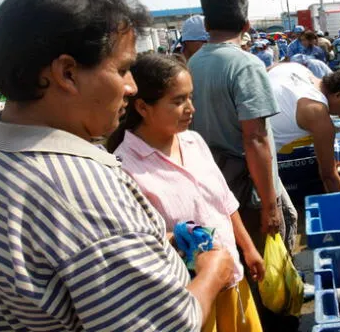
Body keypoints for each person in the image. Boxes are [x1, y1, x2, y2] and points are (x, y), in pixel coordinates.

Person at [0, 0, 235, 331]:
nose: (131, 86)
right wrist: (213, 272)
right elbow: (165, 325)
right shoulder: (80, 191)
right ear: (67, 73)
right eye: (122, 70)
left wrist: (147, 244)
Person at [108, 53, 264, 332]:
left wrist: (248, 248)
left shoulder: (193, 141)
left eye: (190, 97)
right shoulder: (124, 168)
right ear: (143, 107)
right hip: (188, 298)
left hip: (232, 280)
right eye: (178, 101)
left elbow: (224, 201)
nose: (190, 108)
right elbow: (144, 244)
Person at [187, 0, 296, 329]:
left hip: (215, 190)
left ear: (207, 24)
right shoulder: (245, 65)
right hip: (248, 191)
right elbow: (256, 138)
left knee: (242, 269)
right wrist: (270, 205)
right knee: (268, 269)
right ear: (246, 24)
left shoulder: (191, 65)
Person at [268, 64, 340, 192]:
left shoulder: (295, 67)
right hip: (247, 153)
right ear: (339, 95)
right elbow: (329, 176)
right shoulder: (319, 114)